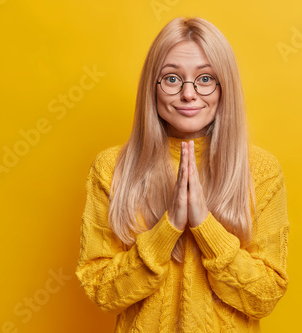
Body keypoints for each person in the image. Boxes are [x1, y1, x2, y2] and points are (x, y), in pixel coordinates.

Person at [75, 16, 290, 332]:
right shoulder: (111, 169)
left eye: (205, 79)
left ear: (224, 88)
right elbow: (103, 293)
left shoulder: (261, 172)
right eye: (172, 79)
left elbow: (264, 297)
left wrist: (204, 225)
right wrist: (169, 227)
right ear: (153, 87)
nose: (188, 94)